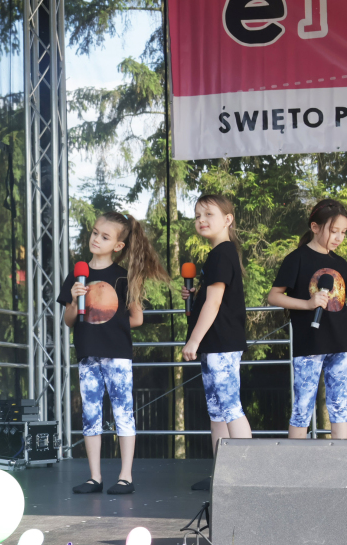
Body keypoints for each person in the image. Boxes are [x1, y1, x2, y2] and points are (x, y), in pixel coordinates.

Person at [58, 212, 169, 495]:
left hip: (117, 354)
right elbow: (68, 321)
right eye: (95, 232)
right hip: (87, 353)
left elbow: (137, 318)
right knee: (90, 414)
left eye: (105, 236)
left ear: (118, 245)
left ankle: (125, 476)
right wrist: (74, 300)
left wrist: (110, 323)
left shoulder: (123, 277)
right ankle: (94, 477)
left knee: (123, 412)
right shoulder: (76, 275)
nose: (96, 239)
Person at [268, 199, 347, 439]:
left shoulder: (342, 264)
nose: (339, 237)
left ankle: (340, 460)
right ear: (315, 227)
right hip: (310, 344)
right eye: (334, 231)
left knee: (340, 408)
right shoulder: (297, 259)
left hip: (341, 345)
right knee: (302, 408)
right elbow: (273, 296)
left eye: (344, 232)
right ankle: (295, 461)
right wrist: (308, 304)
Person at [182, 194, 252, 454]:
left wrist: (193, 340)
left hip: (222, 344)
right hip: (215, 344)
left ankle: (245, 471)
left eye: (209, 214)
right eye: (197, 216)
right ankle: (221, 470)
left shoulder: (222, 254)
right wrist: (195, 295)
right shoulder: (218, 254)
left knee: (230, 408)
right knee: (218, 412)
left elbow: (214, 303)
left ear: (228, 219)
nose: (201, 220)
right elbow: (211, 299)